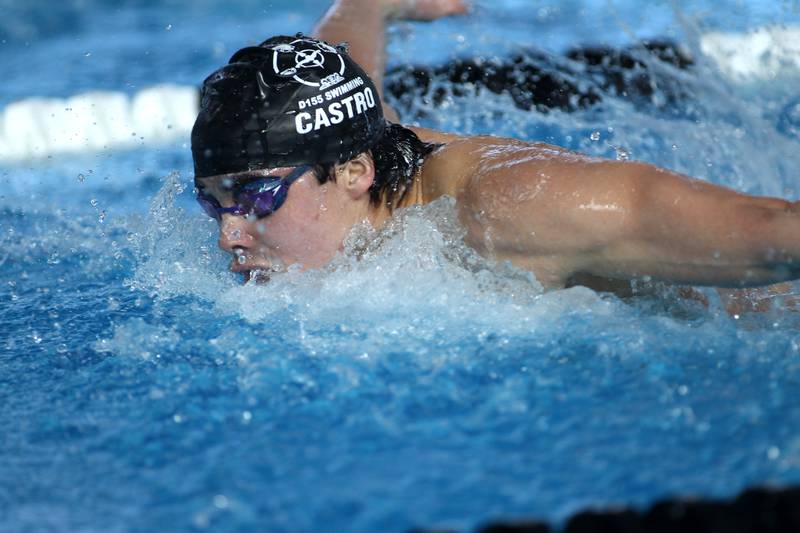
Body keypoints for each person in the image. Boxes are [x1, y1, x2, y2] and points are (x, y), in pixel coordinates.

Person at [191, 0, 799, 302]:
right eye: (213, 203)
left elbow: (773, 232)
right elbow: (351, 67)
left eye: (256, 195)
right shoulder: (364, 143)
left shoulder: (506, 208)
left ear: (354, 172)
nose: (229, 235)